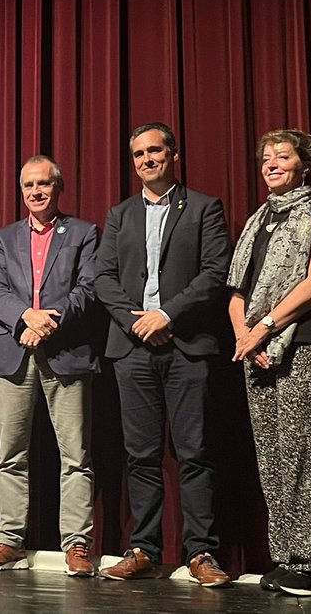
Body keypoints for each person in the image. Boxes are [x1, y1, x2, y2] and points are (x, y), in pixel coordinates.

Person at [93, 123, 232, 586]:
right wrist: (138, 320)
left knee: (194, 453)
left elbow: (215, 273)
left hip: (187, 346)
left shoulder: (204, 208)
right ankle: (144, 549)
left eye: (155, 151)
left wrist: (166, 315)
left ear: (173, 155)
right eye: (138, 154)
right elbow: (104, 278)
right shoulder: (120, 215)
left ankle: (201, 553)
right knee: (141, 455)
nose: (147, 159)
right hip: (132, 349)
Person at [227, 129, 311, 597]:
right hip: (254, 350)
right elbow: (237, 291)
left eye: (283, 156)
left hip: (304, 343)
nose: (271, 164)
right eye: (266, 158)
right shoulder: (257, 220)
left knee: (303, 455)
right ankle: (287, 558)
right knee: (272, 457)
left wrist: (265, 326)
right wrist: (244, 335)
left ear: (305, 165)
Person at [0, 155, 99, 577]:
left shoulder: (83, 232)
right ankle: (9, 540)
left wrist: (48, 321)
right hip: (13, 354)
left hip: (66, 353)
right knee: (9, 455)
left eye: (43, 184)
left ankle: (77, 544)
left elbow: (88, 288)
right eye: (28, 185)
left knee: (75, 456)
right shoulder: (4, 237)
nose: (35, 192)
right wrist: (25, 317)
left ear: (57, 187)